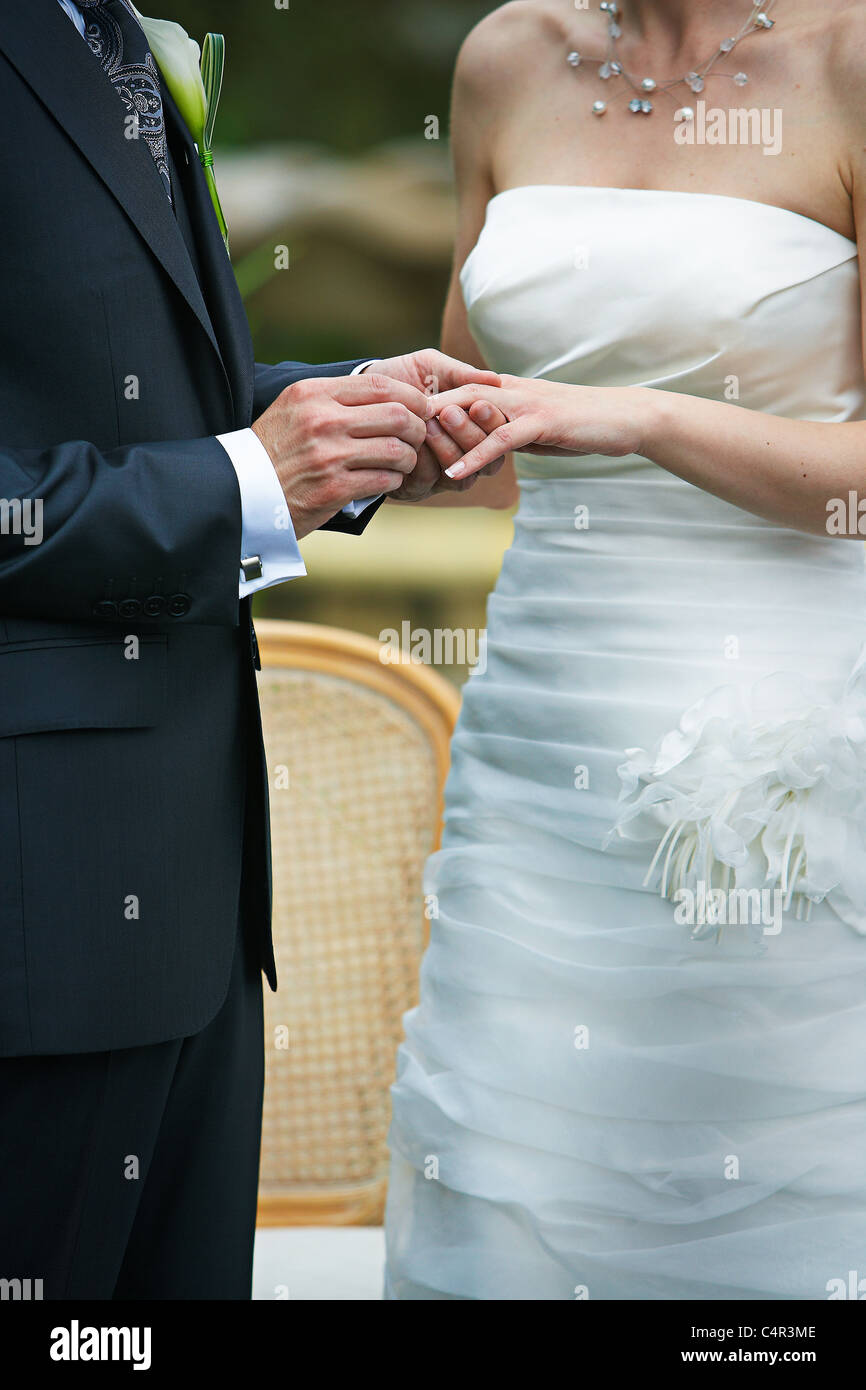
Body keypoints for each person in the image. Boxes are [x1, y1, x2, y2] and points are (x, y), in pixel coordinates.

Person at [0, 0, 503, 1299]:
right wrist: (240, 484)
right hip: (39, 910)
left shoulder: (103, 28)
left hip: (197, 897)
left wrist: (345, 419)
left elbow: (118, 387)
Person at [386, 0, 866, 1299]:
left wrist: (647, 419)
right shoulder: (504, 56)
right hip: (537, 739)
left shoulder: (848, 58)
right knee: (514, 1161)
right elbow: (489, 437)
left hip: (774, 734)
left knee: (764, 1170)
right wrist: (378, 432)